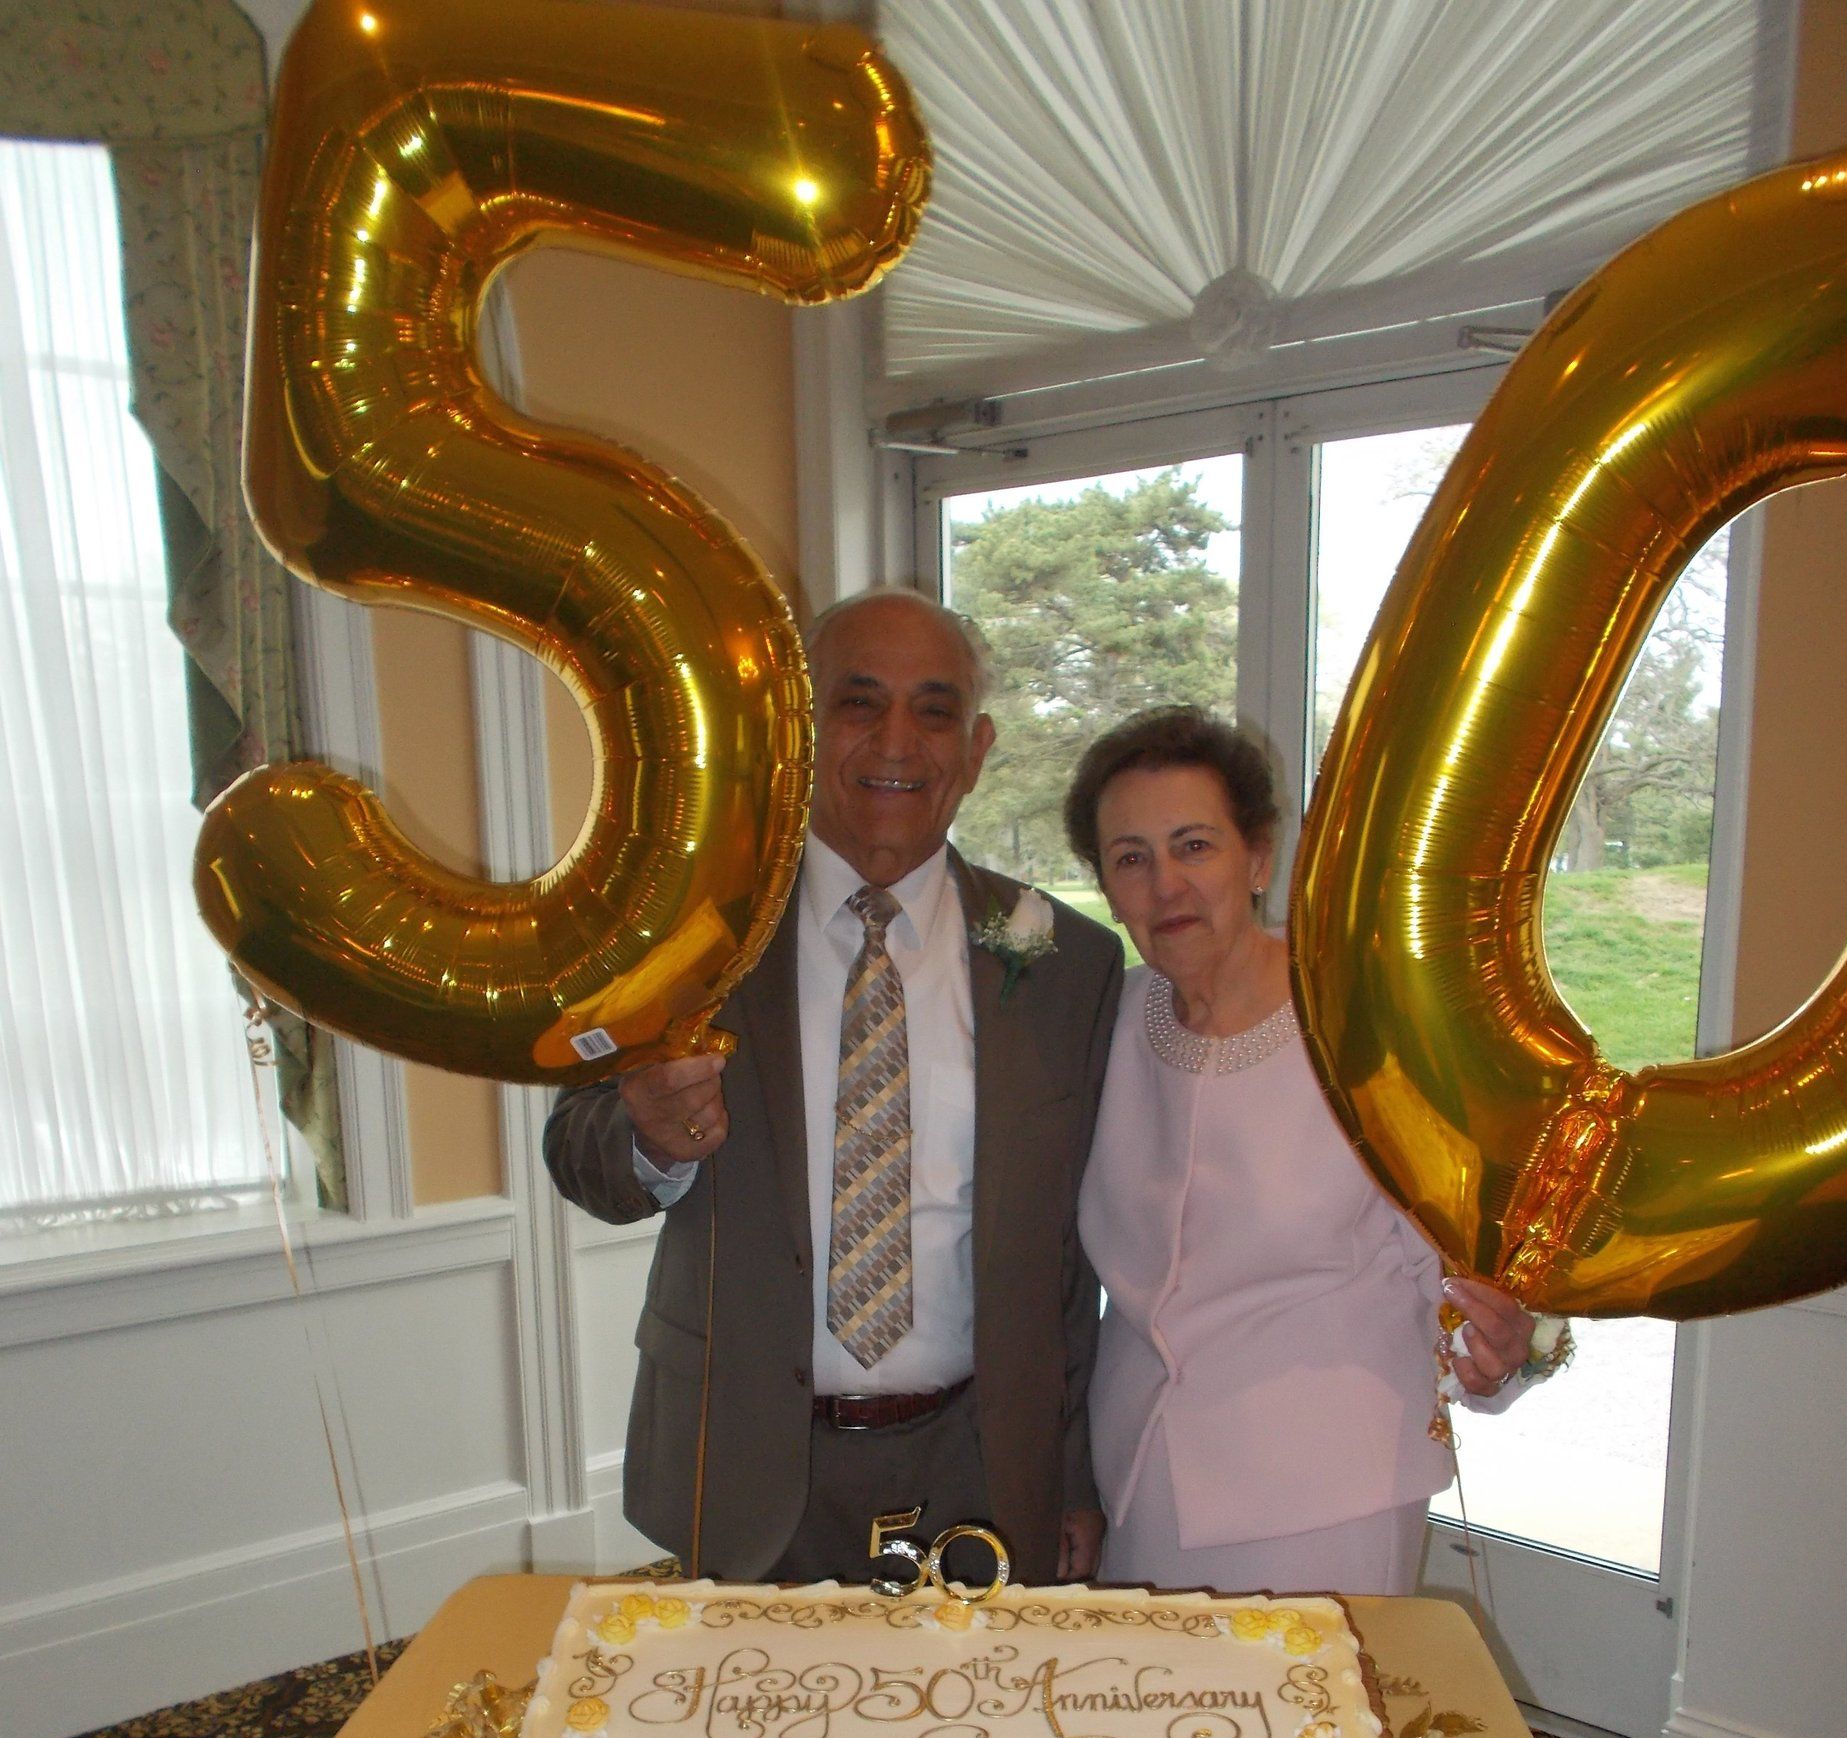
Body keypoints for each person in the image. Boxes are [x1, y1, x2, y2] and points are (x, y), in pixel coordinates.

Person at [544, 587, 1124, 1585]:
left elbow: (1072, 1263)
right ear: (801, 733)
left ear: (976, 747)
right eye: (859, 703)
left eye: (935, 711)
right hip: (751, 1457)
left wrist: (1072, 1473)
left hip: (982, 1463)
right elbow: (576, 1147)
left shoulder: (1062, 959)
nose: (898, 740)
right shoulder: (690, 934)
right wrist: (646, 1136)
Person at [1072, 706, 1540, 1596]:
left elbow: (1481, 1251)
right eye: (1131, 858)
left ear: (1257, 856)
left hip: (1325, 1493)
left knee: (1320, 1727)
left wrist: (1505, 1346)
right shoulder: (1111, 1017)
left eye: (1194, 845)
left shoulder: (1368, 1034)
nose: (1165, 883)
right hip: (1138, 1478)